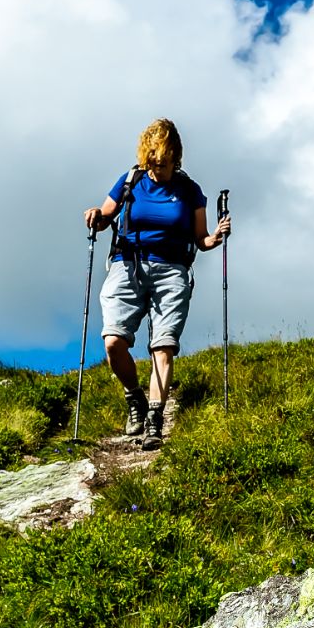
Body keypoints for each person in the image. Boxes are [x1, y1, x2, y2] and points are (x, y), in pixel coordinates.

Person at [82, 118, 232, 442]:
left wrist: (216, 237)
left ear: (175, 156)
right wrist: (96, 215)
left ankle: (154, 418)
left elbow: (201, 239)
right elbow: (106, 216)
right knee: (113, 341)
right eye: (152, 160)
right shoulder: (131, 181)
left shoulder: (190, 191)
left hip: (172, 270)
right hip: (127, 264)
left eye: (163, 162)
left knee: (163, 345)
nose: (157, 168)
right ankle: (134, 396)